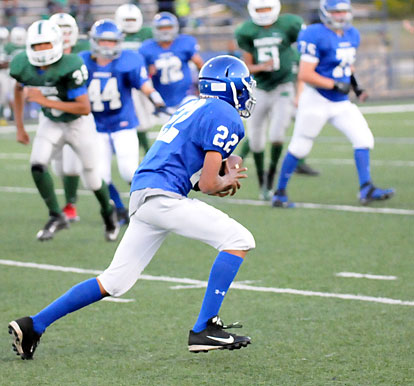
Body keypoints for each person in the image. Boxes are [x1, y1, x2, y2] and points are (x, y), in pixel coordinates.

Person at [8, 55, 256, 359]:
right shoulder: (225, 113)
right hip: (164, 196)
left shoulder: (192, 105)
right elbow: (207, 184)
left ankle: (34, 324)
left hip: (145, 193)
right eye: (243, 87)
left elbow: (191, 167)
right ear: (230, 87)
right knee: (239, 239)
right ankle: (205, 328)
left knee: (114, 281)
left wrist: (222, 170)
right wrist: (224, 179)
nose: (246, 94)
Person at [272, 0, 395, 208]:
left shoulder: (352, 34)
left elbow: (348, 65)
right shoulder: (314, 34)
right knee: (300, 147)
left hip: (340, 102)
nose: (340, 16)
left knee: (364, 139)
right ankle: (279, 193)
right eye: (335, 11)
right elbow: (305, 74)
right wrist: (334, 84)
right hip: (316, 99)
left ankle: (366, 189)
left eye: (344, 11)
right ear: (325, 13)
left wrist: (356, 86)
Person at [10, 19, 120, 241]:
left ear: (58, 43)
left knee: (92, 179)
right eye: (37, 46)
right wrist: (19, 126)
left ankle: (108, 214)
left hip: (79, 124)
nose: (42, 50)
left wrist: (44, 100)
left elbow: (83, 107)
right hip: (51, 122)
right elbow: (18, 88)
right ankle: (56, 215)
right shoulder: (22, 64)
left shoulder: (71, 64)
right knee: (37, 164)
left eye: (47, 44)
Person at [80, 19, 167, 225]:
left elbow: (144, 84)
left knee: (129, 170)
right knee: (100, 175)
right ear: (94, 41)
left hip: (123, 123)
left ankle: (148, 206)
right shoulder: (82, 61)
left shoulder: (129, 59)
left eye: (112, 41)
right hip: (96, 126)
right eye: (104, 41)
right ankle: (119, 208)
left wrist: (155, 98)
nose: (108, 46)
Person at [235, 0, 319, 201]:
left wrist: (299, 88)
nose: (264, 13)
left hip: (283, 85)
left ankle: (271, 180)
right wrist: (261, 67)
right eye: (259, 9)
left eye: (266, 8)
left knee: (277, 135)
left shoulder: (290, 24)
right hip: (259, 88)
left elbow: (304, 48)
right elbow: (247, 66)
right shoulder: (246, 31)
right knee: (255, 140)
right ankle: (262, 182)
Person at [48, 12, 87, 222]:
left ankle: (70, 204)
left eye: (67, 31)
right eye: (59, 31)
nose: (63, 35)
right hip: (53, 117)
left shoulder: (84, 53)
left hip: (78, 116)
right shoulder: (42, 53)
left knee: (74, 165)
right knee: (58, 167)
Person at [139, 11, 204, 114]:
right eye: (161, 28)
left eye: (168, 27)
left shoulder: (185, 42)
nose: (165, 31)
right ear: (155, 29)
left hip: (186, 96)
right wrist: (150, 72)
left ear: (175, 27)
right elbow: (142, 76)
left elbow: (200, 65)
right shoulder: (147, 48)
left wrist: (201, 87)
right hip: (161, 98)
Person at [115, 3, 154, 154]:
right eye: (127, 20)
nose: (130, 23)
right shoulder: (114, 34)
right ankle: (143, 150)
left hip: (142, 81)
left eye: (133, 19)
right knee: (133, 119)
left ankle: (144, 150)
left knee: (145, 120)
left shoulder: (147, 33)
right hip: (122, 83)